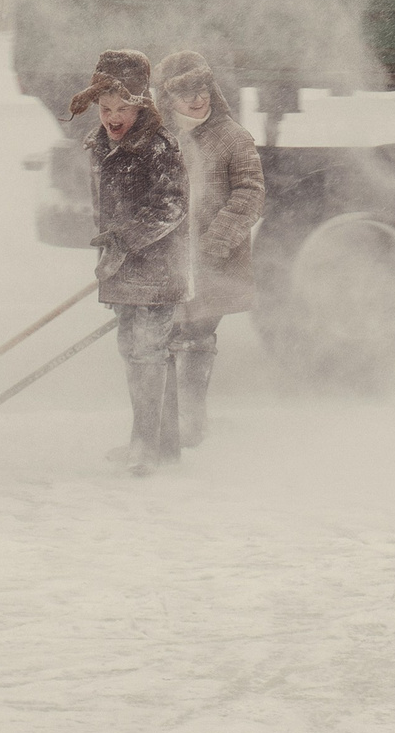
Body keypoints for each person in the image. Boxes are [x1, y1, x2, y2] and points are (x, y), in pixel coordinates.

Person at [68, 50, 191, 474]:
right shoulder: (100, 144)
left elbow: (172, 206)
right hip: (122, 269)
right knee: (133, 351)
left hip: (159, 270)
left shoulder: (158, 147)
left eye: (123, 108)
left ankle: (147, 447)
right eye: (105, 108)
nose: (113, 117)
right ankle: (159, 444)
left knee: (148, 352)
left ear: (141, 105)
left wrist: (123, 240)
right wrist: (109, 248)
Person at [152, 51, 266, 448]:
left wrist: (216, 242)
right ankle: (163, 429)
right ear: (167, 99)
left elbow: (250, 194)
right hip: (169, 259)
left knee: (197, 335)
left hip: (217, 261)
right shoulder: (159, 139)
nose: (197, 100)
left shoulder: (233, 136)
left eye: (202, 89)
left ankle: (192, 422)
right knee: (163, 339)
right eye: (186, 94)